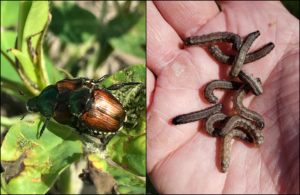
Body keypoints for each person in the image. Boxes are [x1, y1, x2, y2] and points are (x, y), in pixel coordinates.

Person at [146, 1, 299, 194]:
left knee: (229, 99)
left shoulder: (236, 109)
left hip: (231, 105)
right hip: (230, 102)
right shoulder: (234, 102)